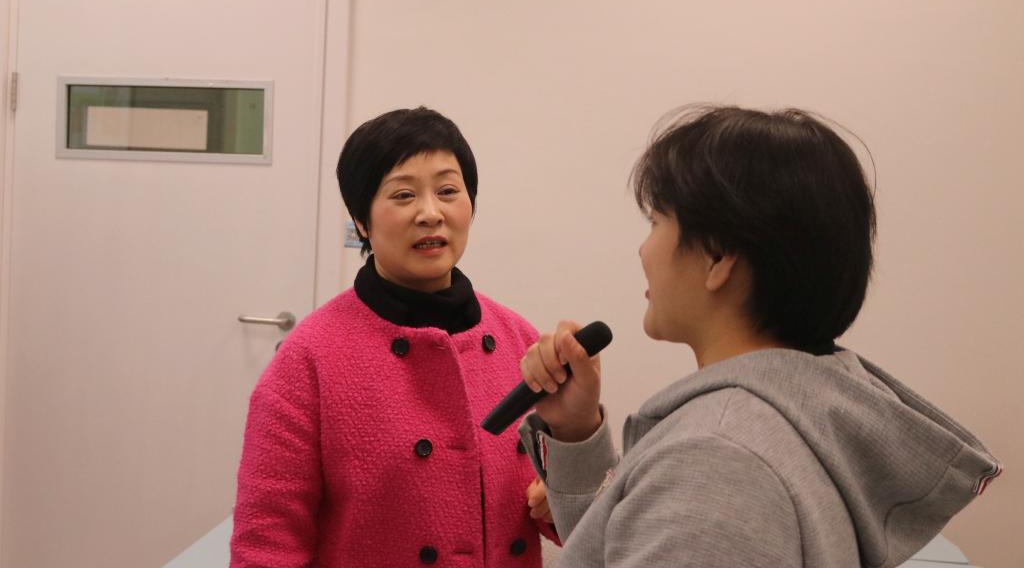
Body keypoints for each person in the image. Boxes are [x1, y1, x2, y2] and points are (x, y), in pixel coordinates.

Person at [518, 105, 1001, 568]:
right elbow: (622, 545)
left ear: (717, 257)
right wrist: (576, 431)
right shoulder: (790, 421)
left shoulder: (714, 462)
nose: (643, 250)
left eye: (656, 221)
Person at [231, 107, 556, 567]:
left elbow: (575, 519)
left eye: (448, 191)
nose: (430, 214)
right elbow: (266, 542)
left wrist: (558, 491)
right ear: (361, 221)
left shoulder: (517, 340)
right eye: (403, 195)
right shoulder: (311, 358)